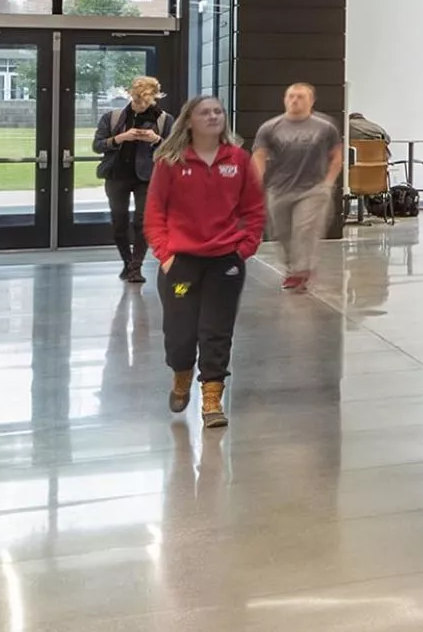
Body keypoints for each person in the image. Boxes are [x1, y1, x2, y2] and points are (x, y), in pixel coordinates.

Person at [144, 95, 264, 426]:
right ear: (189, 120)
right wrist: (166, 255)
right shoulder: (170, 161)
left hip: (225, 262)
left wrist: (244, 248)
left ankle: (212, 399)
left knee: (217, 330)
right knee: (180, 333)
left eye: (218, 111)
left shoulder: (238, 159)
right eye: (204, 112)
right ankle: (181, 375)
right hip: (181, 262)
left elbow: (253, 209)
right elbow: (155, 213)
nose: (213, 116)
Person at [252, 82, 343, 293]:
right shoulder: (270, 128)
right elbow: (259, 156)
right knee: (281, 232)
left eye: (301, 96)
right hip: (279, 188)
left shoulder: (325, 127)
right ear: (285, 99)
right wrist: (257, 182)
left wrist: (328, 183)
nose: (295, 100)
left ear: (311, 101)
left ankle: (300, 271)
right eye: (291, 96)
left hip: (312, 189)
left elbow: (337, 156)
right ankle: (293, 267)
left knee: (304, 229)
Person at [95, 74, 170, 285]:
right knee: (119, 222)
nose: (140, 105)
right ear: (131, 95)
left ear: (154, 98)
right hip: (117, 175)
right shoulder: (113, 117)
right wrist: (119, 138)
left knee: (142, 221)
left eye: (146, 101)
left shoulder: (164, 119)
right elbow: (97, 145)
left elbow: (173, 150)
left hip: (147, 178)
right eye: (137, 100)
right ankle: (127, 263)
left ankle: (136, 267)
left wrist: (156, 140)